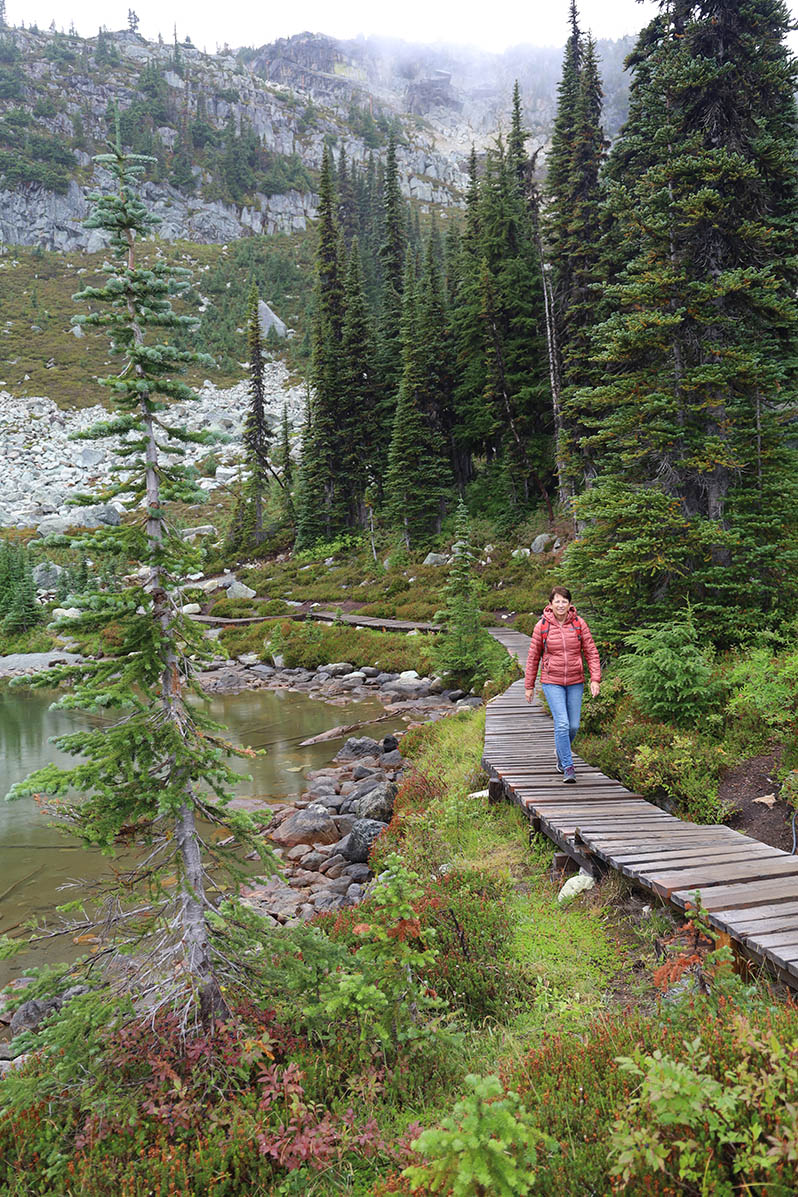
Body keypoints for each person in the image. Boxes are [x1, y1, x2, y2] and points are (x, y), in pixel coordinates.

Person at [524, 586, 601, 783]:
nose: (560, 605)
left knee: (573, 726)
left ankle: (561, 753)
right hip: (552, 681)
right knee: (563, 723)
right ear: (550, 604)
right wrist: (529, 685)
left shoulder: (578, 624)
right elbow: (533, 657)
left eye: (564, 601)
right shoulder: (542, 626)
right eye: (557, 601)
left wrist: (595, 679)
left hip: (575, 680)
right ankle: (568, 766)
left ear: (569, 604)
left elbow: (591, 651)